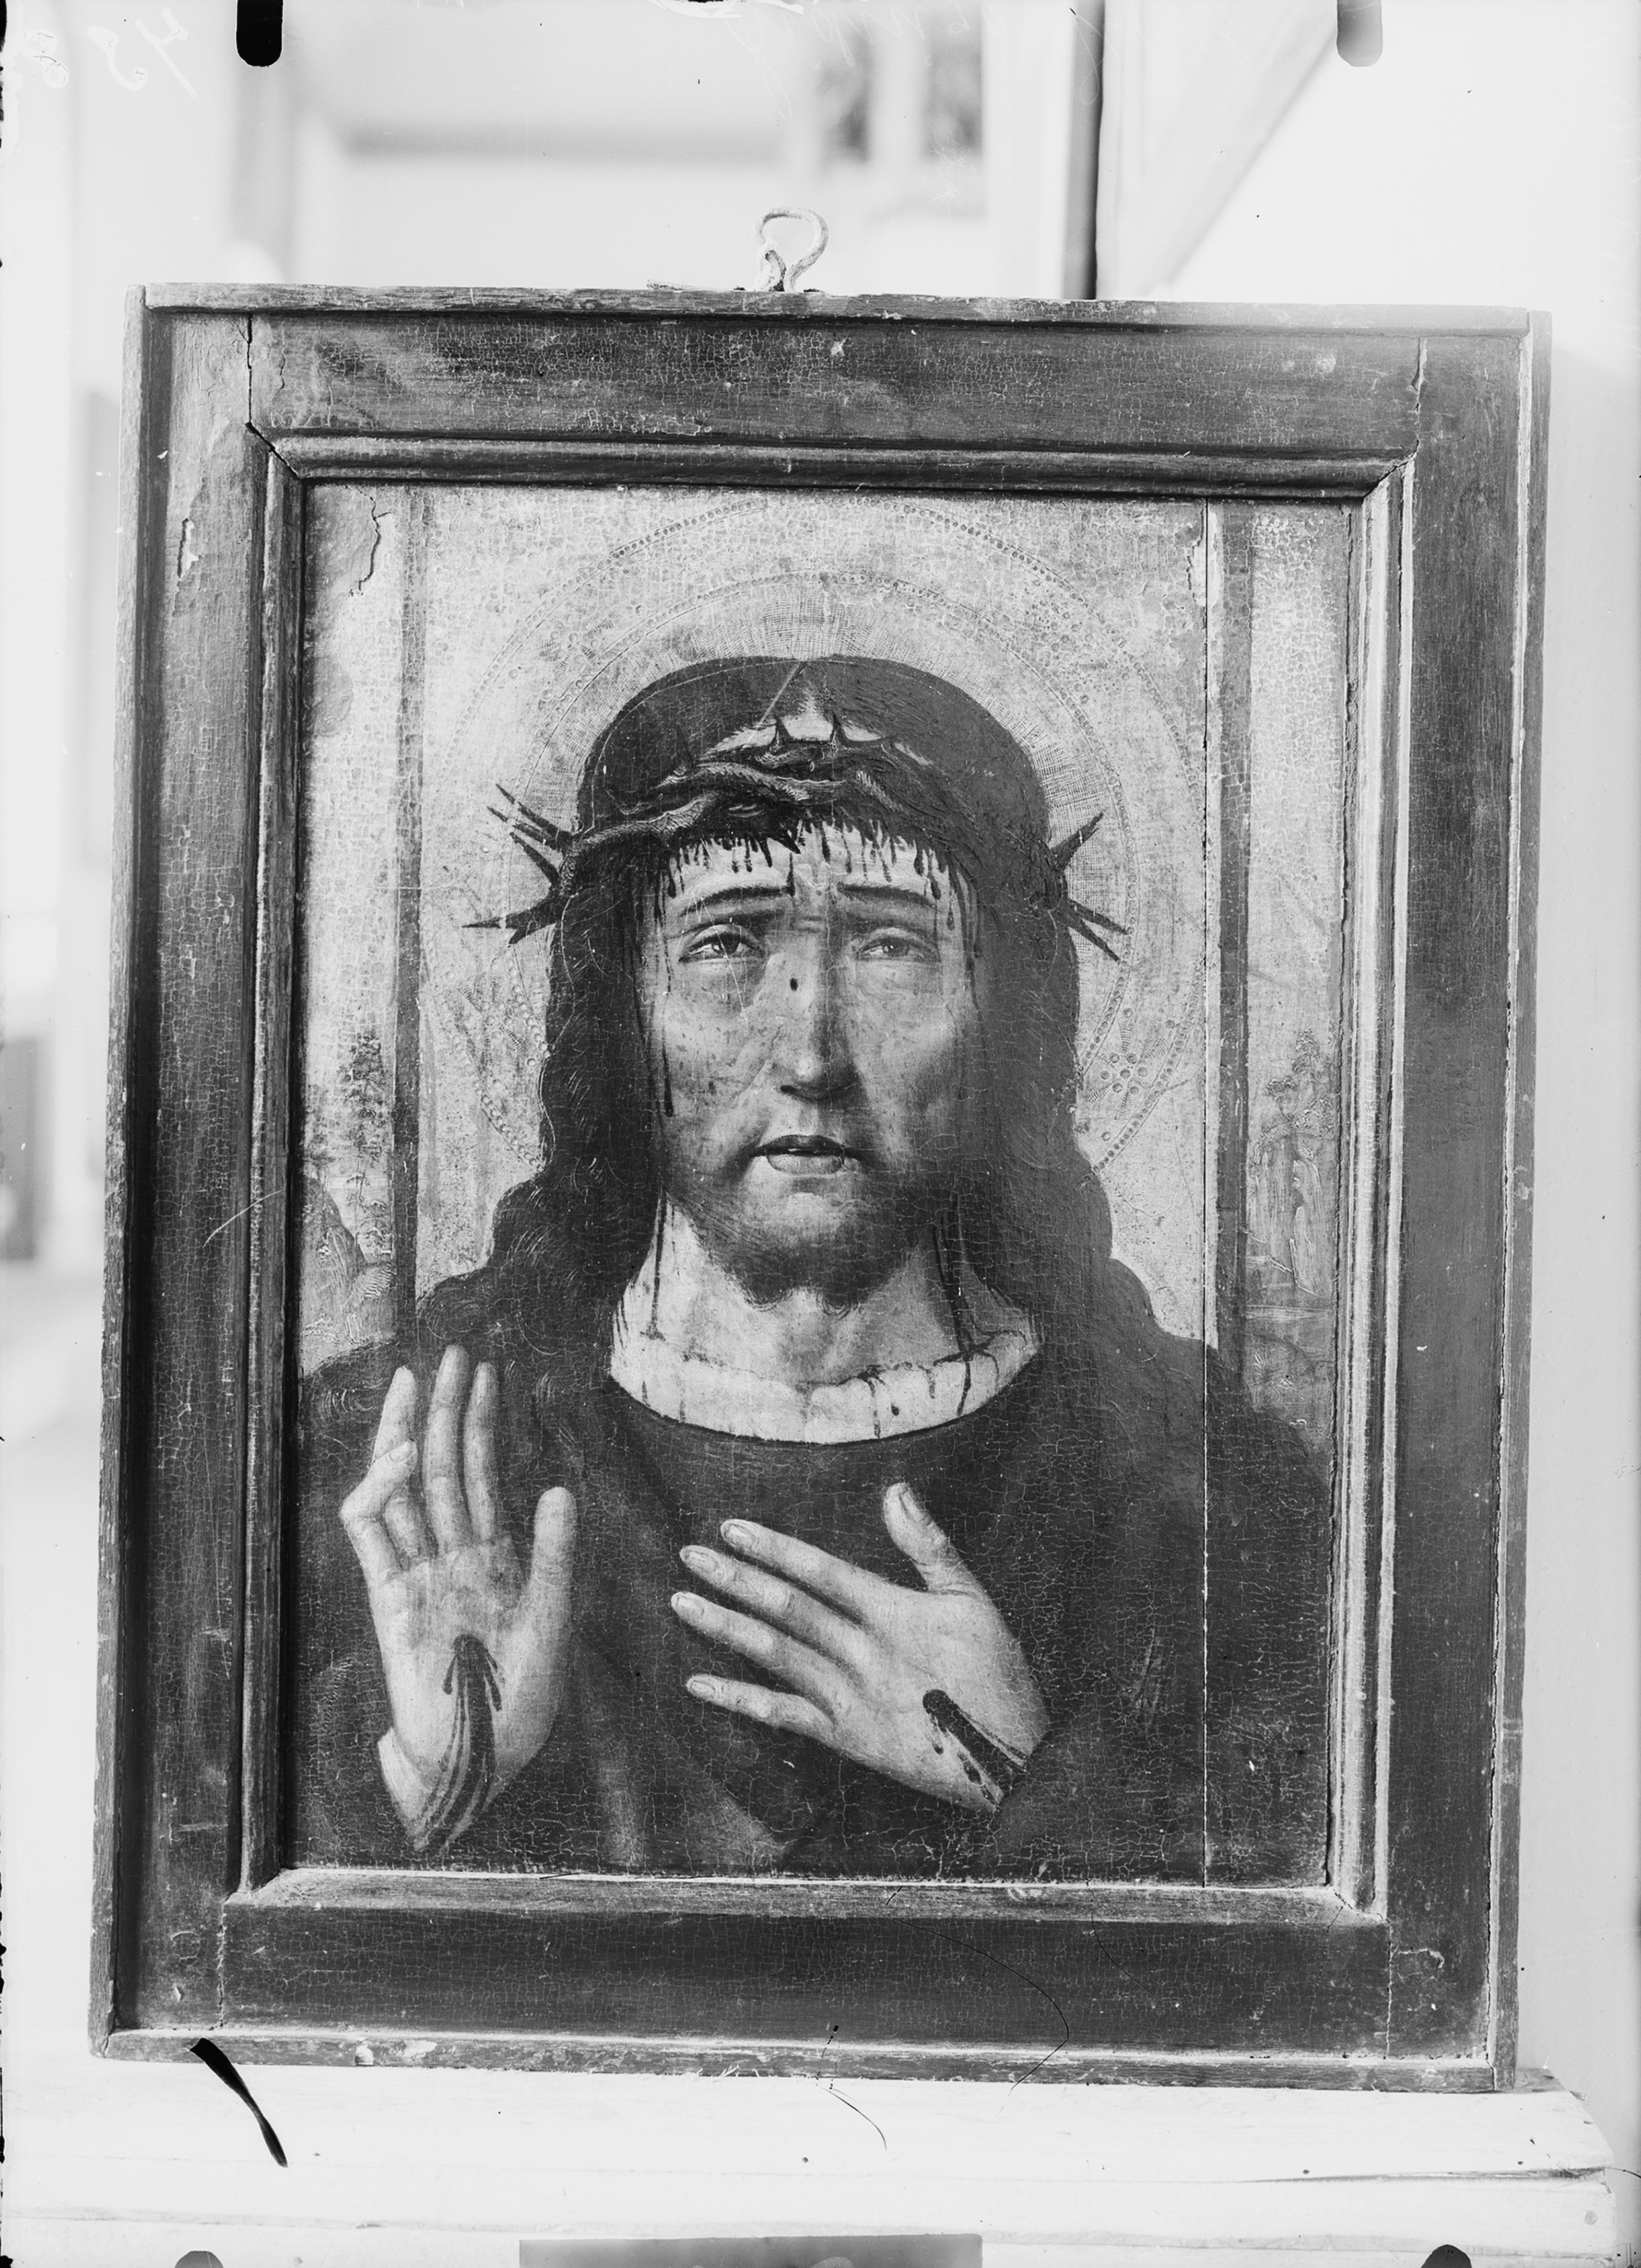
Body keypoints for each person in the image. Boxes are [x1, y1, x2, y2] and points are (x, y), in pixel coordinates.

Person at [291, 655, 1331, 1880]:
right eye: (726, 942)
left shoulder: (1201, 1485)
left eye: (894, 947)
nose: (812, 1055)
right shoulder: (401, 1466)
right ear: (619, 1015)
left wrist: (1036, 1782)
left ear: (1008, 1020)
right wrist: (434, 1781)